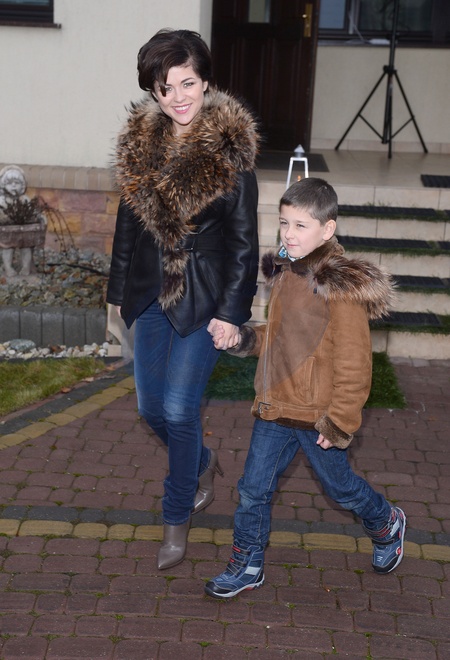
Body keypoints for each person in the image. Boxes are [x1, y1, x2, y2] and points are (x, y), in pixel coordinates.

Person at [205, 177, 406, 599]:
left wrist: (340, 420)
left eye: (301, 225)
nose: (289, 234)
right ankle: (248, 563)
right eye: (284, 223)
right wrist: (242, 338)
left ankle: (385, 520)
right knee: (252, 490)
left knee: (340, 489)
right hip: (277, 405)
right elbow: (281, 339)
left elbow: (355, 361)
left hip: (317, 415)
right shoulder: (287, 272)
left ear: (327, 229)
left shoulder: (339, 285)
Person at [106, 29, 260, 571]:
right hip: (150, 292)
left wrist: (232, 314)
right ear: (153, 91)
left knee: (178, 408)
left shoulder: (231, 151)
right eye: (165, 87)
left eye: (187, 83)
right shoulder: (140, 145)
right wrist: (116, 294)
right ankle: (200, 462)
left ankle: (176, 518)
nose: (177, 97)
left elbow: (244, 246)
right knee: (151, 408)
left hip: (204, 298)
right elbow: (128, 227)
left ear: (206, 82)